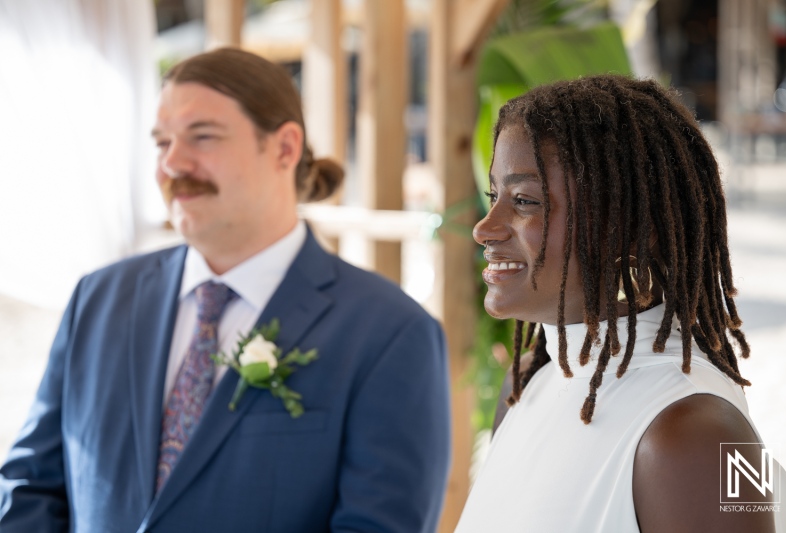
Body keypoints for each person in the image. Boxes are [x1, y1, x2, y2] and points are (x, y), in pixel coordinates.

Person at [0, 47, 451, 532]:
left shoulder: (389, 333)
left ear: (284, 148)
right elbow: (31, 488)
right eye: (161, 143)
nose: (172, 163)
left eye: (202, 136)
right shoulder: (99, 299)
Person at [456, 75, 786, 532]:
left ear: (626, 226)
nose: (485, 227)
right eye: (493, 196)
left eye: (525, 201)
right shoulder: (526, 381)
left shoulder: (702, 431)